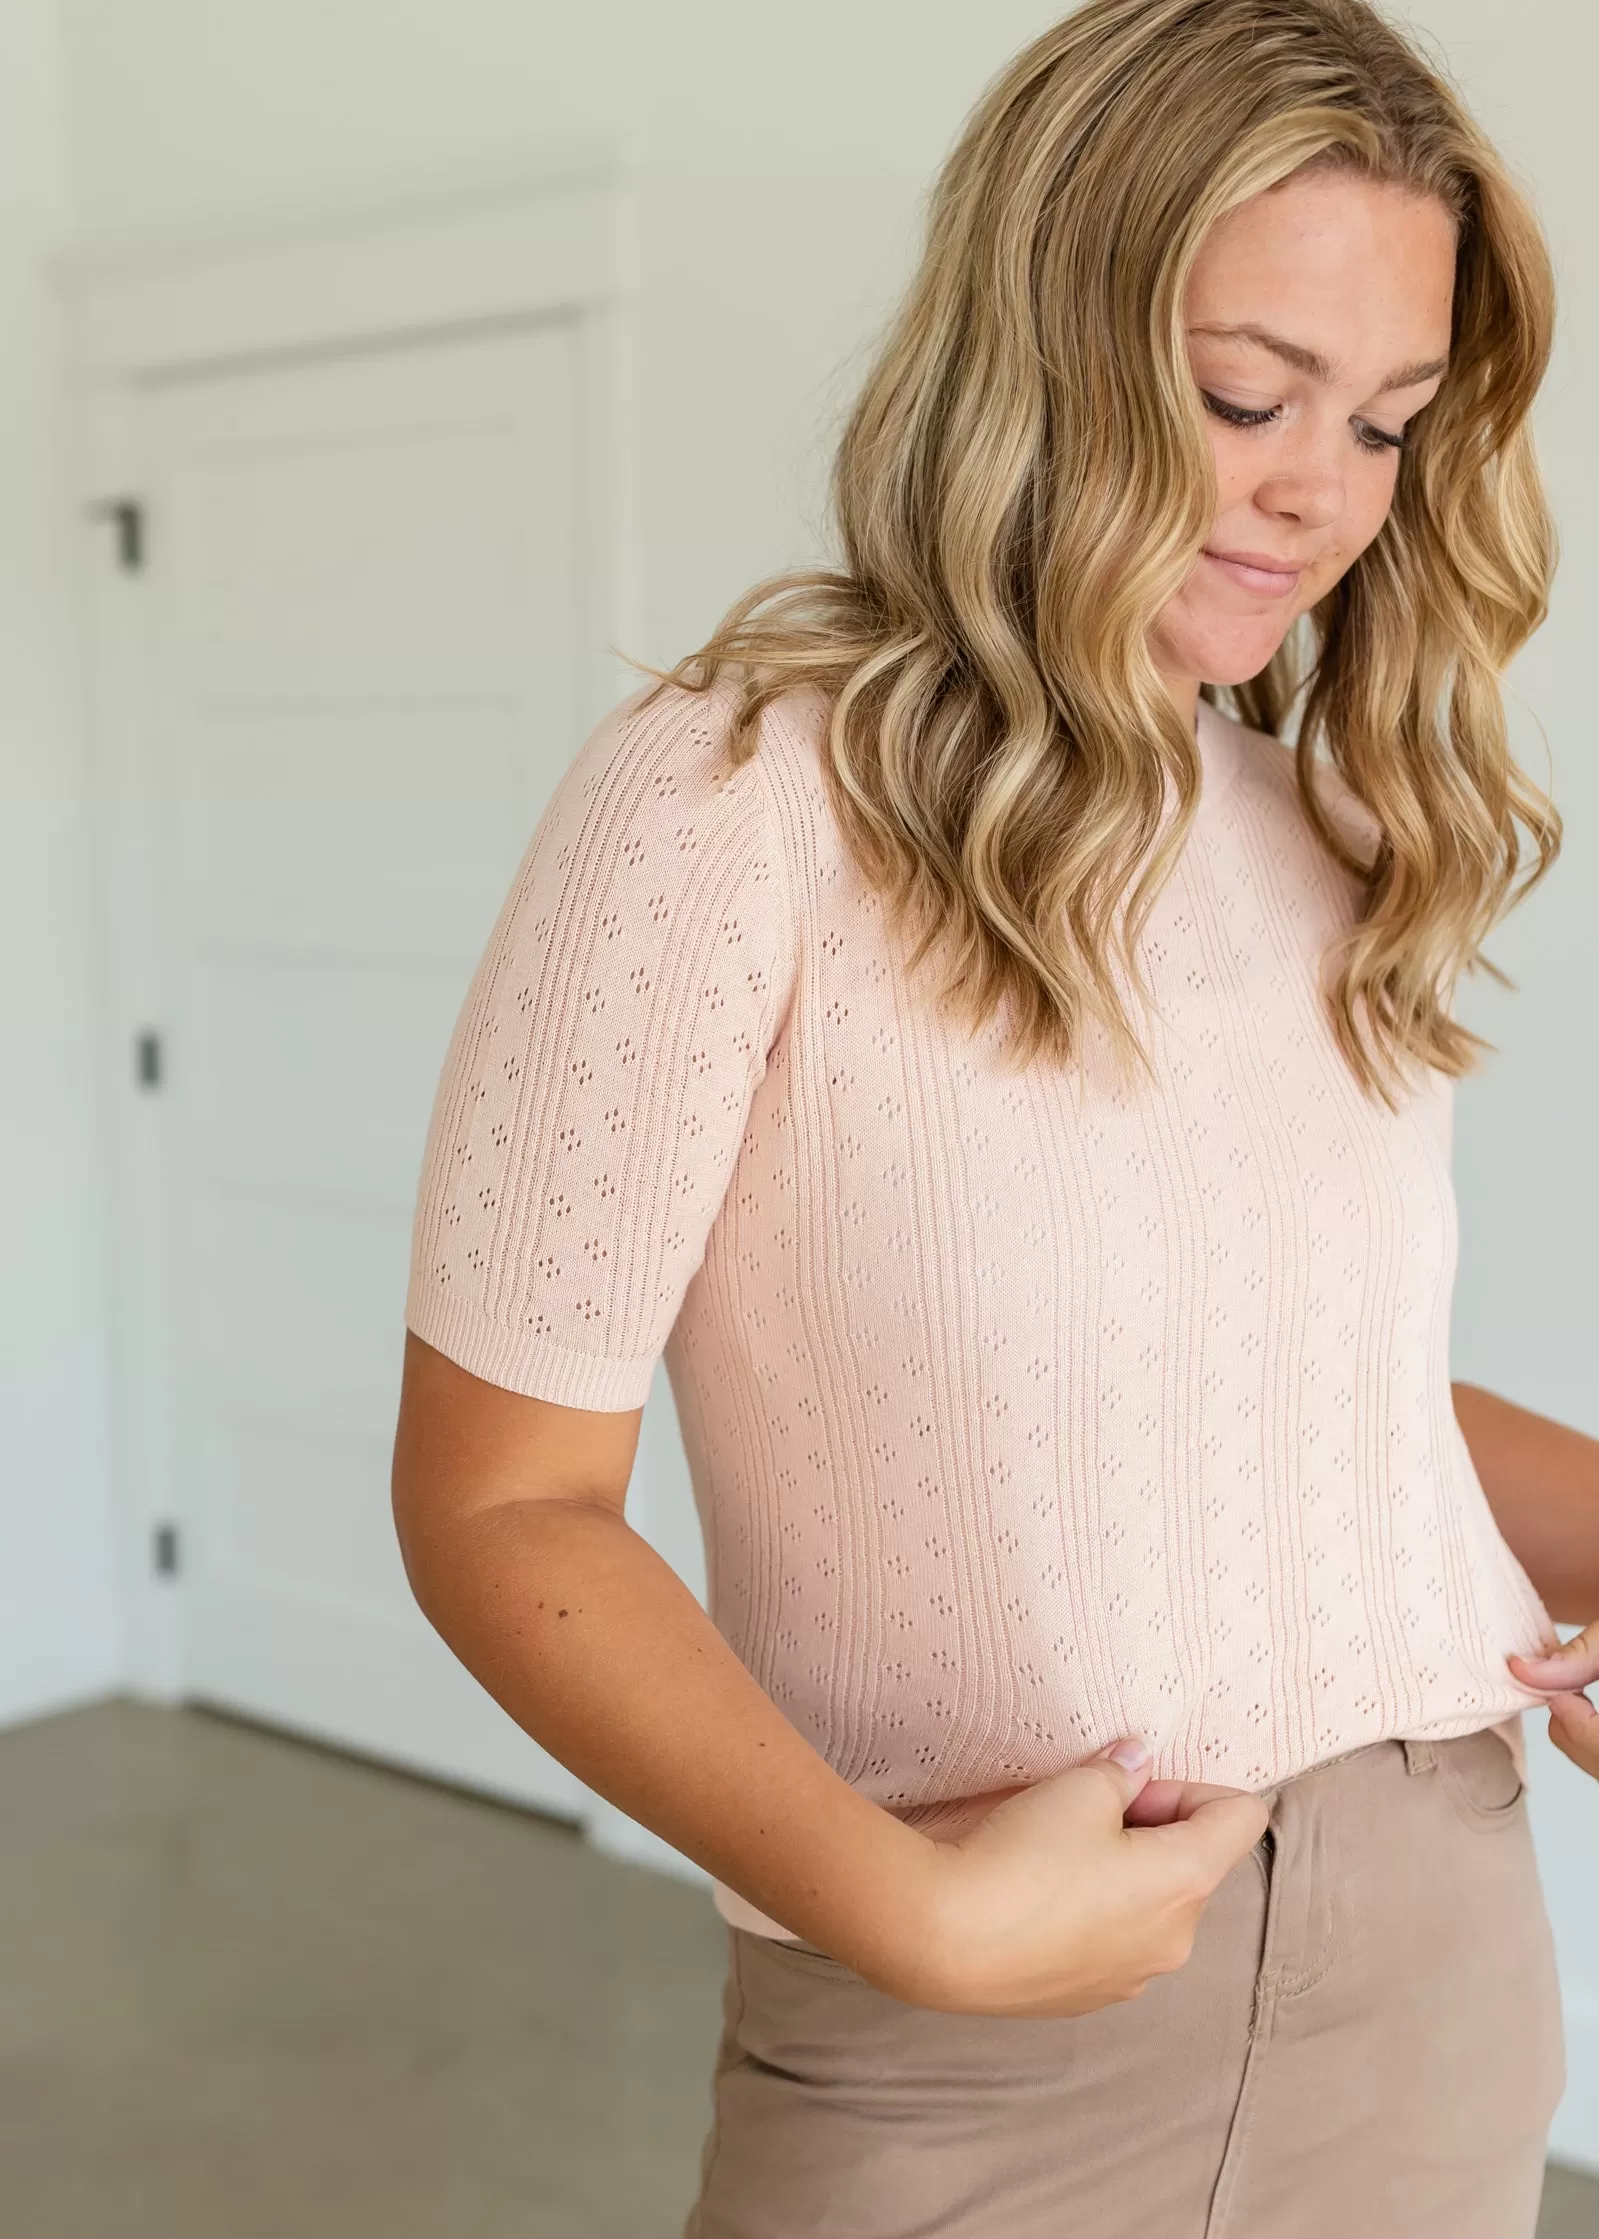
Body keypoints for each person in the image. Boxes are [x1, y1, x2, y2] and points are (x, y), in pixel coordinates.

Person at [390, 1, 1599, 2230]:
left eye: (1388, 423)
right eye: (1245, 395)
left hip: (1439, 1958)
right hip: (969, 2031)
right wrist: (904, 1915)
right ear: (1046, 333)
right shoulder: (734, 798)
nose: (1317, 491)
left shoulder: (1334, 822)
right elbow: (502, 1506)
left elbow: (1295, 1397)